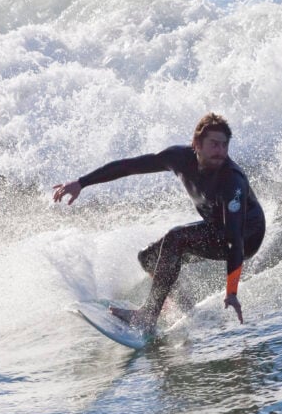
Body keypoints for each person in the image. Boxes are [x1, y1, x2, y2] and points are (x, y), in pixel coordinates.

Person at [52, 113, 266, 333]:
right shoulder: (179, 158)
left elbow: (234, 241)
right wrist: (81, 183)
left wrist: (231, 292)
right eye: (214, 144)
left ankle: (148, 315)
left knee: (176, 239)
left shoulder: (233, 182)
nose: (220, 151)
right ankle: (185, 306)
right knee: (149, 258)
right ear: (196, 145)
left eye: (224, 145)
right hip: (217, 228)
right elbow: (129, 166)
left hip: (246, 236)